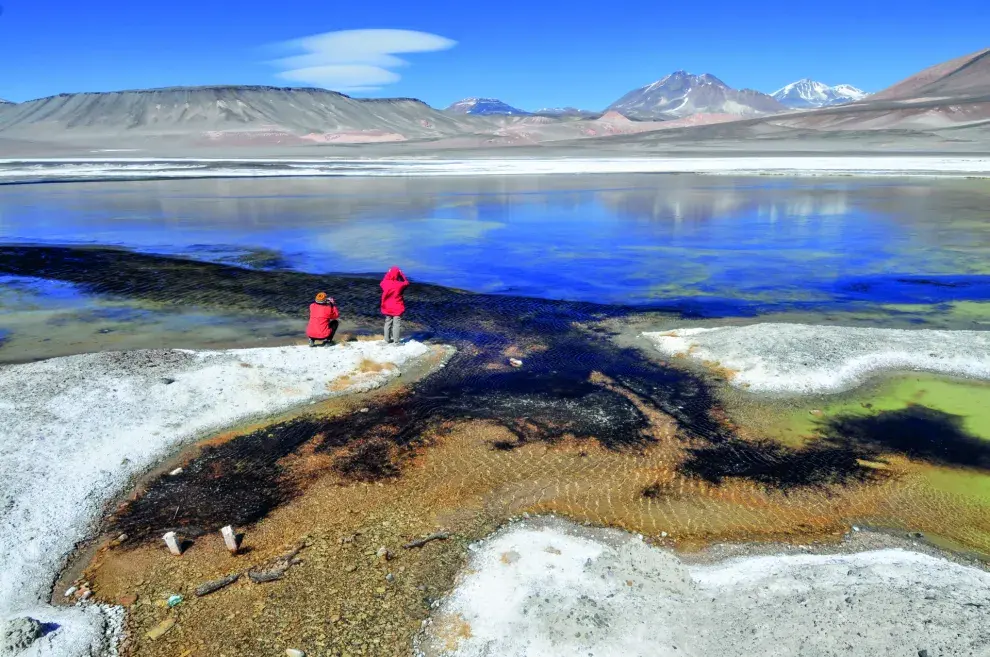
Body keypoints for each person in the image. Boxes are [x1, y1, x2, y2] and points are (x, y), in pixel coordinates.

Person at [380, 266, 409, 344]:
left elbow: (383, 281)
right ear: (397, 275)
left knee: (387, 323)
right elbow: (406, 282)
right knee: (396, 324)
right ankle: (396, 342)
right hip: (397, 307)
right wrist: (401, 273)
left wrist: (388, 273)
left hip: (387, 307)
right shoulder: (399, 285)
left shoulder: (385, 283)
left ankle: (387, 340)